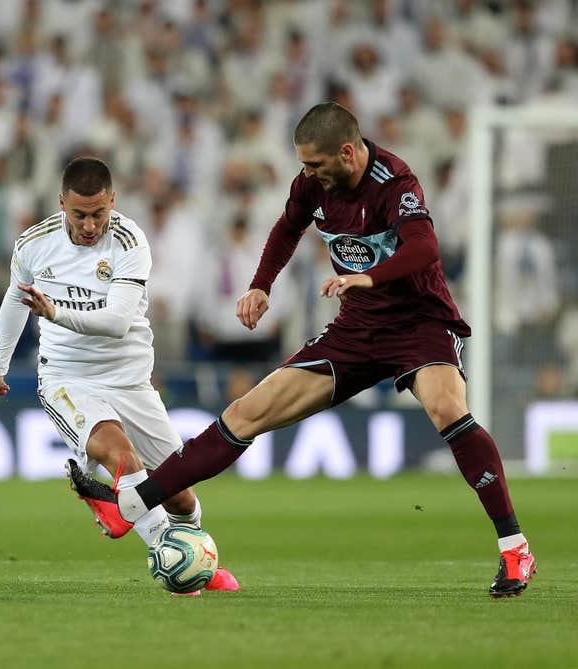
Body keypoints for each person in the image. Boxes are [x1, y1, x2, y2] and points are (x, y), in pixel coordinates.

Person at [69, 103, 536, 599]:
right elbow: (287, 228)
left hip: (417, 324)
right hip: (355, 329)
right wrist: (261, 285)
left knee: (446, 408)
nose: (306, 174)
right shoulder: (312, 184)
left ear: (348, 152)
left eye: (314, 164)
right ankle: (133, 505)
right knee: (248, 412)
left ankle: (514, 548)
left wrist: (368, 276)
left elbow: (425, 249)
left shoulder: (395, 182)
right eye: (303, 165)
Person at [0, 157, 238, 593]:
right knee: (122, 458)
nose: (88, 224)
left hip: (130, 380)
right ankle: (182, 569)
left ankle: (186, 548)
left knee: (180, 494)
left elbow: (117, 321)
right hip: (67, 378)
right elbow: (14, 299)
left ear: (112, 201)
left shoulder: (130, 240)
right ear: (61, 202)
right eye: (78, 214)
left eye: (98, 213)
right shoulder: (33, 244)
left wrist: (55, 312)